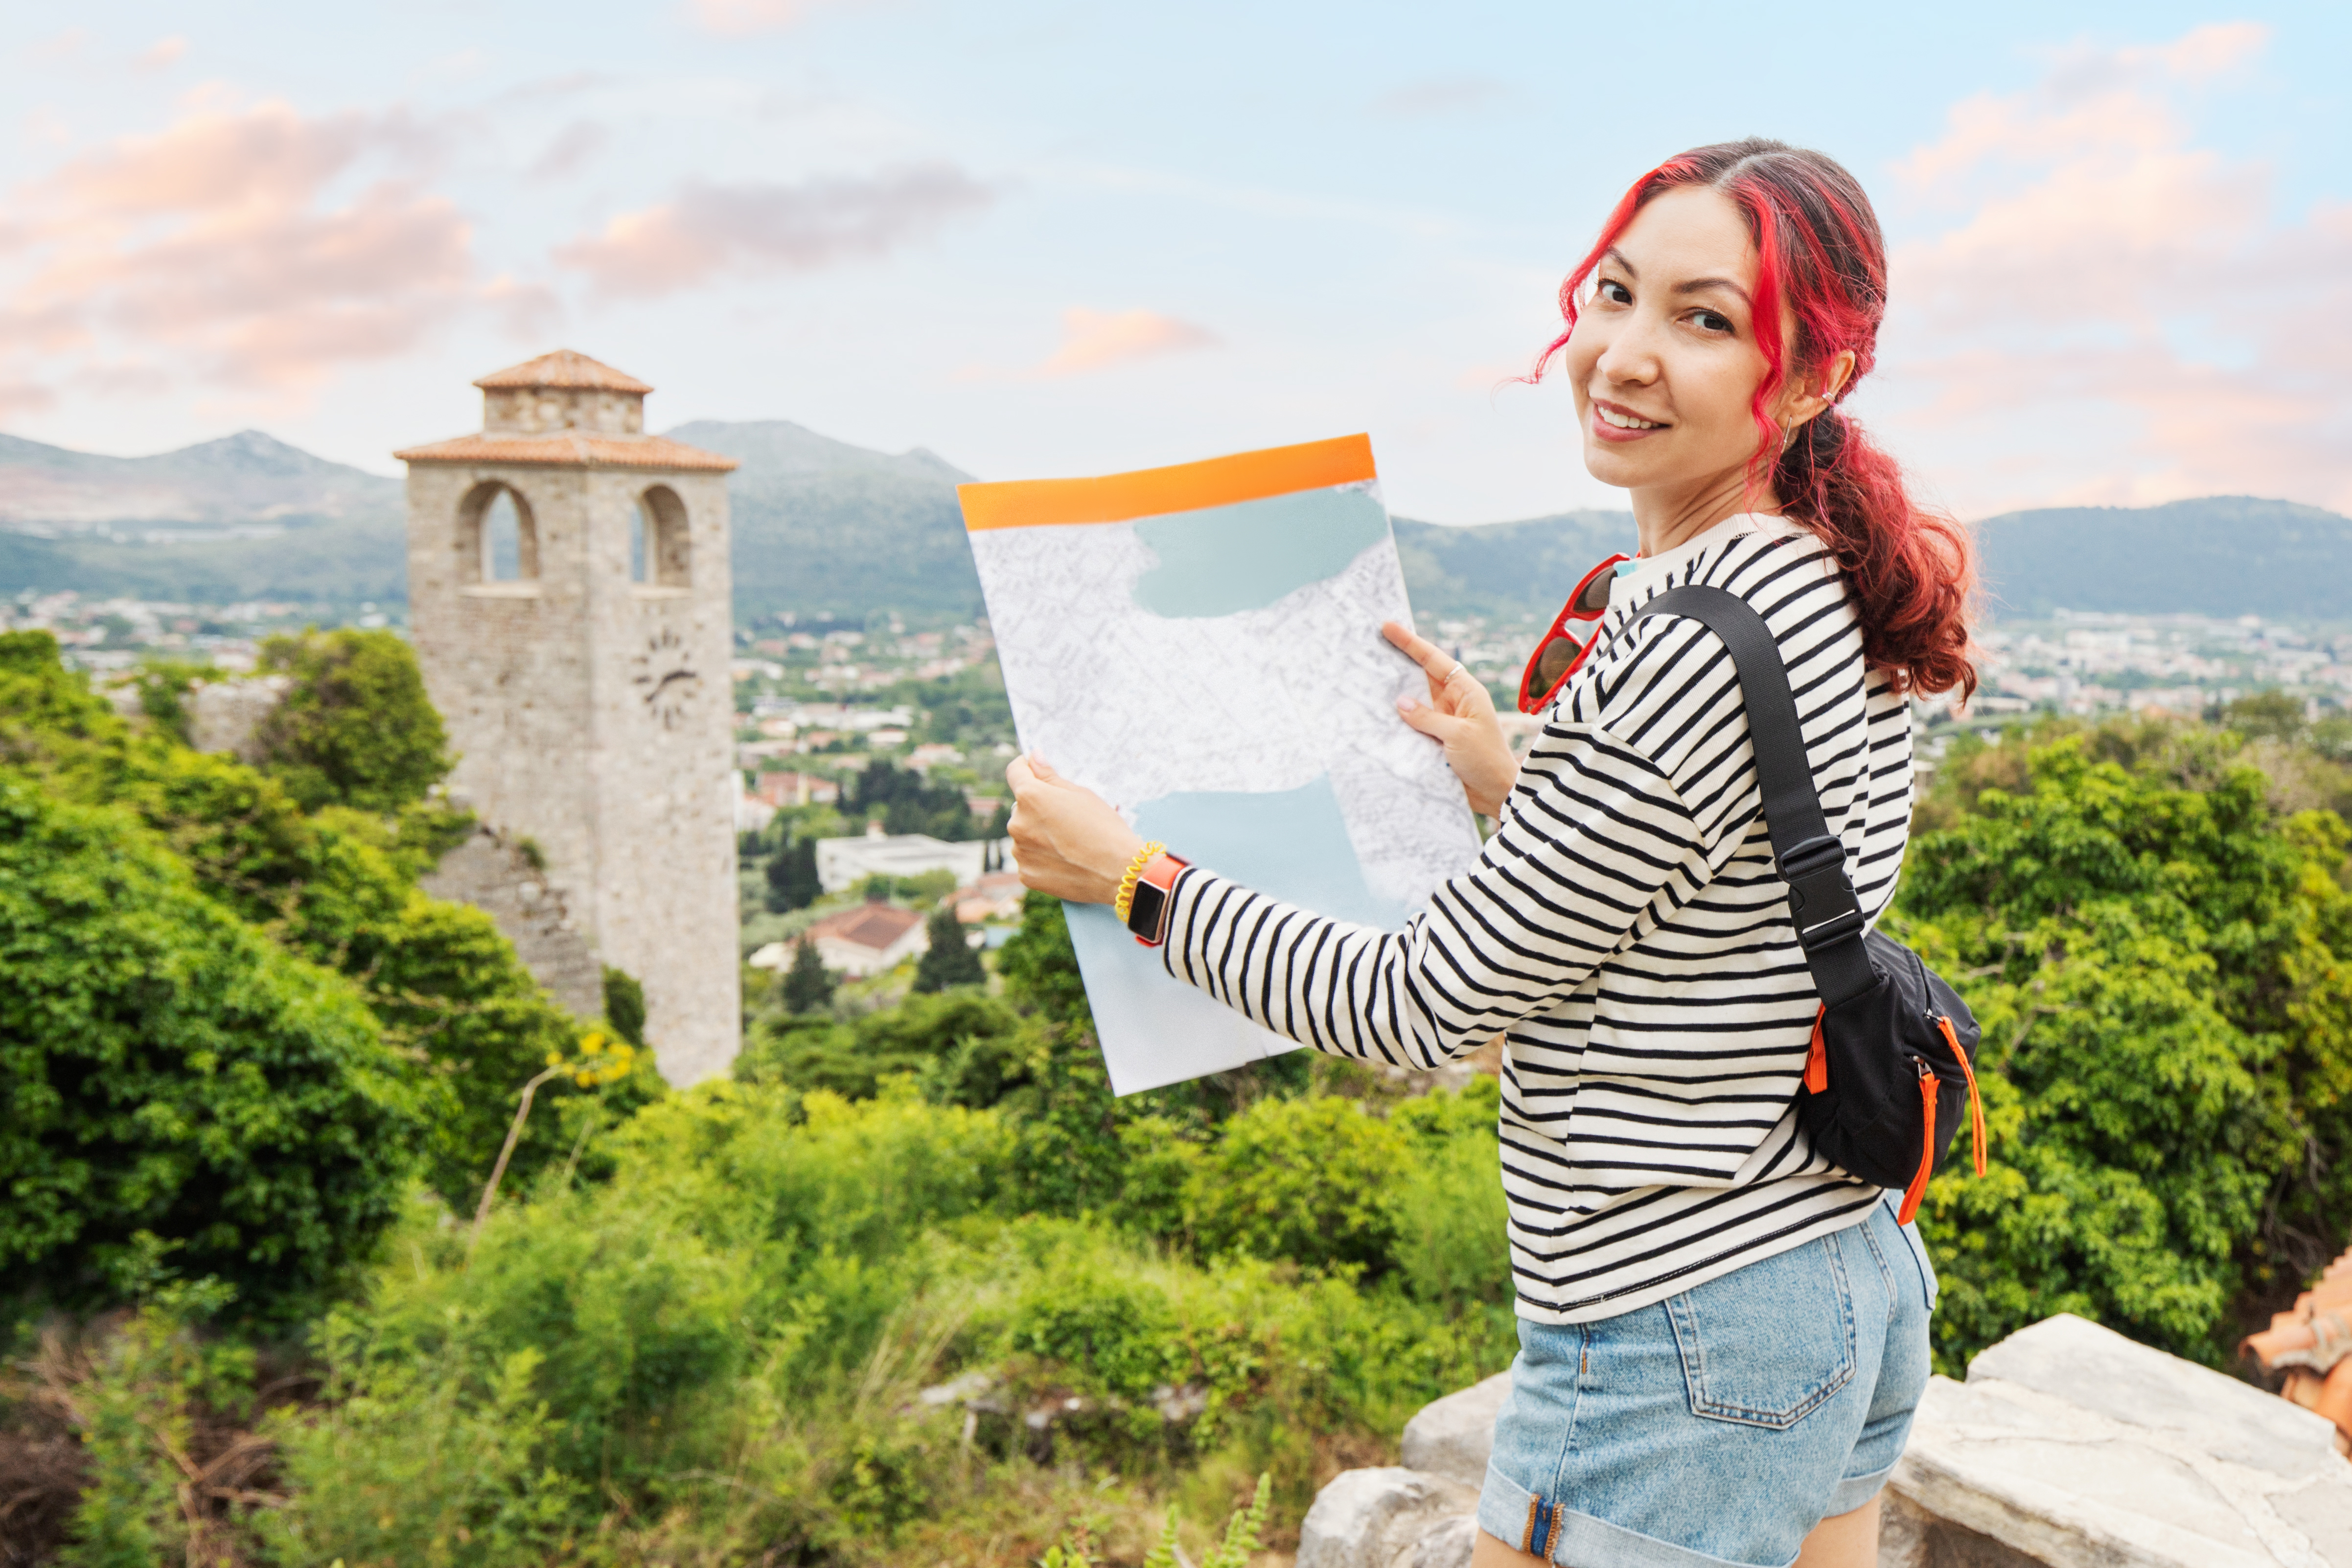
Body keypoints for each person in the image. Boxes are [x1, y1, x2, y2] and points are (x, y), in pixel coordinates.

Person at [1006, 138, 1975, 1568]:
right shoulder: (1825, 579)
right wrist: (1525, 773)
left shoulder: (1686, 645)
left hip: (1678, 1318)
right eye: (1615, 293)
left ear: (1813, 378)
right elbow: (1739, 879)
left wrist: (1130, 879)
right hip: (1839, 1270)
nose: (1624, 355)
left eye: (1705, 320)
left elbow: (1422, 1005)